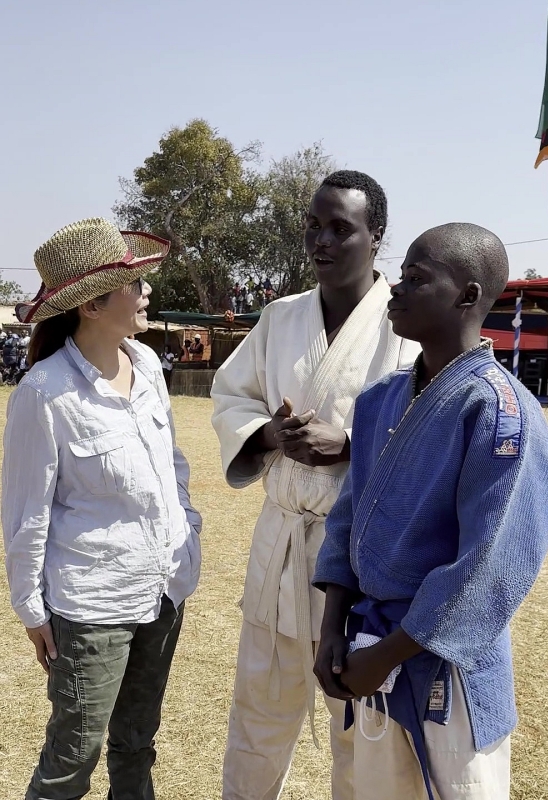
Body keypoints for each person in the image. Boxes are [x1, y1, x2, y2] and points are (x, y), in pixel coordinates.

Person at [313, 223, 548, 800]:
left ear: (468, 295)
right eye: (400, 275)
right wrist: (332, 629)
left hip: (445, 666)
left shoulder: (501, 412)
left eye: (416, 278)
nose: (396, 289)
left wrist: (388, 654)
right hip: (369, 649)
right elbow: (347, 520)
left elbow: (489, 566)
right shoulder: (379, 400)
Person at [211, 171, 421, 800]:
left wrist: (350, 443)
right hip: (280, 543)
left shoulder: (405, 322)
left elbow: (427, 428)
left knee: (360, 728)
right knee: (257, 715)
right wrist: (268, 433)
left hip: (358, 554)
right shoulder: (280, 317)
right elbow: (232, 395)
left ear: (375, 236)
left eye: (340, 228)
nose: (321, 241)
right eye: (313, 226)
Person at [2, 217, 202, 800]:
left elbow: (172, 463)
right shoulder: (44, 392)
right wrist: (31, 609)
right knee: (72, 757)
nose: (147, 292)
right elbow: (26, 512)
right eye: (134, 284)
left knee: (137, 743)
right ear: (91, 305)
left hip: (164, 588)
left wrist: (187, 529)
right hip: (92, 604)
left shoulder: (147, 366)